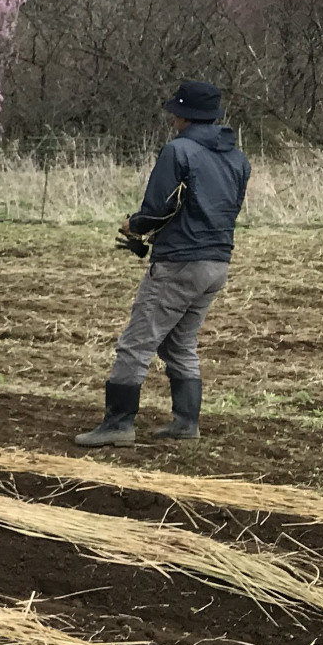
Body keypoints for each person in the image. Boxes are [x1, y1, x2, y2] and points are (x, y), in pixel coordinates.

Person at [74, 80, 250, 447]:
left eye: (175, 112)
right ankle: (186, 423)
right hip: (217, 262)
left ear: (184, 115)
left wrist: (134, 225)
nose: (172, 118)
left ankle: (118, 425)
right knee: (179, 343)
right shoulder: (237, 158)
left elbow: (159, 207)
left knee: (136, 343)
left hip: (179, 262)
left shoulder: (178, 151)